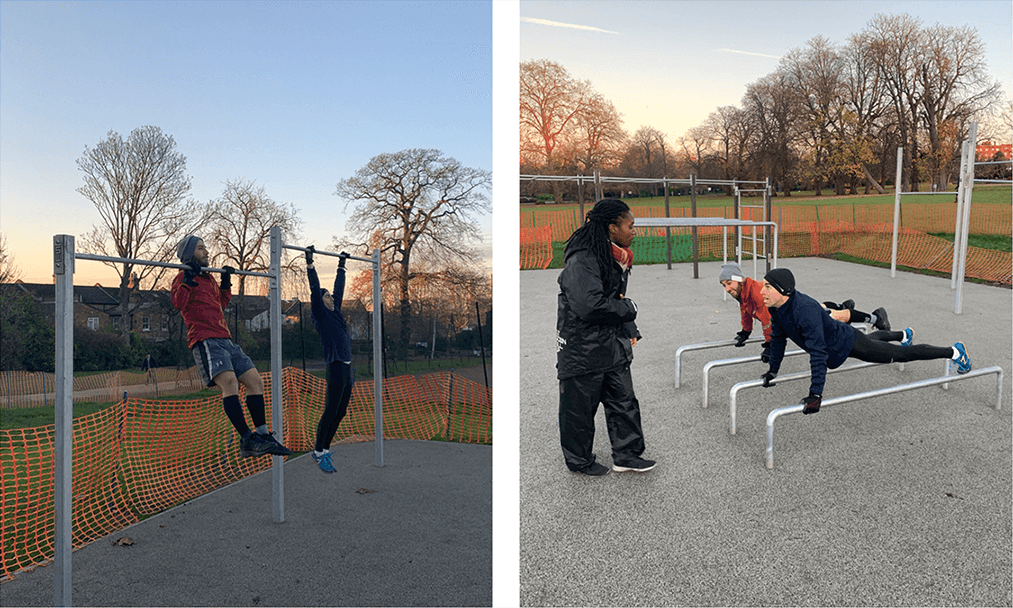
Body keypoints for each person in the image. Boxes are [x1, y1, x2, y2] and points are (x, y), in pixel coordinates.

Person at [759, 267, 972, 415]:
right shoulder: (776, 308)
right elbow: (777, 339)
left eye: (767, 286)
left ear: (783, 290)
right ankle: (902, 335)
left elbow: (818, 352)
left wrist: (815, 394)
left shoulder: (804, 311)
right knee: (872, 340)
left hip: (846, 342)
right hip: (839, 341)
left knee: (900, 355)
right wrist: (773, 370)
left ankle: (954, 351)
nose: (762, 291)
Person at [556, 198, 655, 476]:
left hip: (611, 345)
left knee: (624, 402)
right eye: (630, 225)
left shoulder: (614, 257)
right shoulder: (583, 259)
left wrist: (628, 327)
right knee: (578, 410)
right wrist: (630, 309)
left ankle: (627, 455)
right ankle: (579, 460)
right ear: (612, 227)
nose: (634, 231)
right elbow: (590, 306)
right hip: (582, 348)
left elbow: (614, 298)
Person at [170, 235, 291, 458]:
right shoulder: (182, 277)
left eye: (205, 247)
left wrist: (225, 284)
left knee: (256, 381)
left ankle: (262, 435)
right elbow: (179, 303)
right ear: (189, 254)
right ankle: (246, 439)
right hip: (205, 339)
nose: (206, 251)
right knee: (229, 382)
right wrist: (188, 280)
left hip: (226, 339)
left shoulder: (208, 278)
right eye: (200, 248)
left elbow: (221, 304)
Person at [718, 262, 891, 363]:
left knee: (836, 315)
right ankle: (842, 304)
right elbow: (746, 312)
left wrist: (770, 346)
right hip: (793, 312)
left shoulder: (756, 292)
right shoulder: (742, 292)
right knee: (825, 307)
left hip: (798, 313)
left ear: (738, 280)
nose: (726, 288)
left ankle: (876, 318)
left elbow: (767, 320)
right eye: (723, 285)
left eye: (729, 283)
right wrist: (745, 332)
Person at [304, 245, 354, 474]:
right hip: (335, 366)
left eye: (330, 296)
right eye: (327, 296)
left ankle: (324, 448)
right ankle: (317, 449)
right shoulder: (321, 316)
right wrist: (310, 263)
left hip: (348, 366)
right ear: (320, 301)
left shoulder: (336, 312)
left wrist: (341, 266)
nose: (331, 298)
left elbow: (339, 289)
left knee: (341, 411)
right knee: (331, 409)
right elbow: (315, 289)